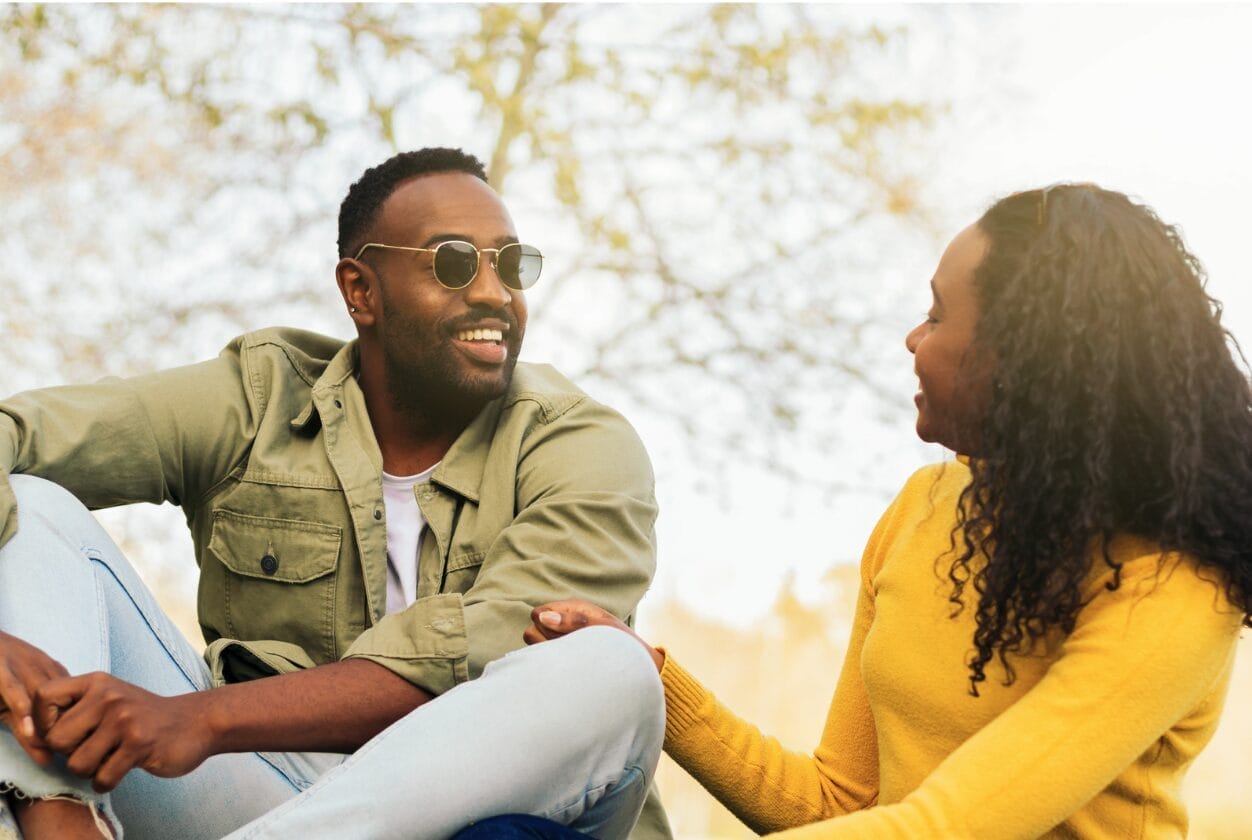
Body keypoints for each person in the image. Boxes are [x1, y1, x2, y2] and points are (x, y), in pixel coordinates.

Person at [519, 183, 1252, 838]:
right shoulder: (925, 510)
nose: (912, 338)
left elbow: (944, 828)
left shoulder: (1174, 588)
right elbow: (841, 802)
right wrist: (647, 679)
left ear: (1027, 358)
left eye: (937, 314)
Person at [0, 147, 670, 839]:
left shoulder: (580, 442)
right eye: (454, 263)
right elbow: (18, 431)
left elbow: (476, 657)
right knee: (33, 505)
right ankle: (63, 818)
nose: (495, 293)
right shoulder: (259, 402)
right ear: (361, 291)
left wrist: (199, 718)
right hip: (270, 795)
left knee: (611, 669)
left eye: (511, 264)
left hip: (504, 801)